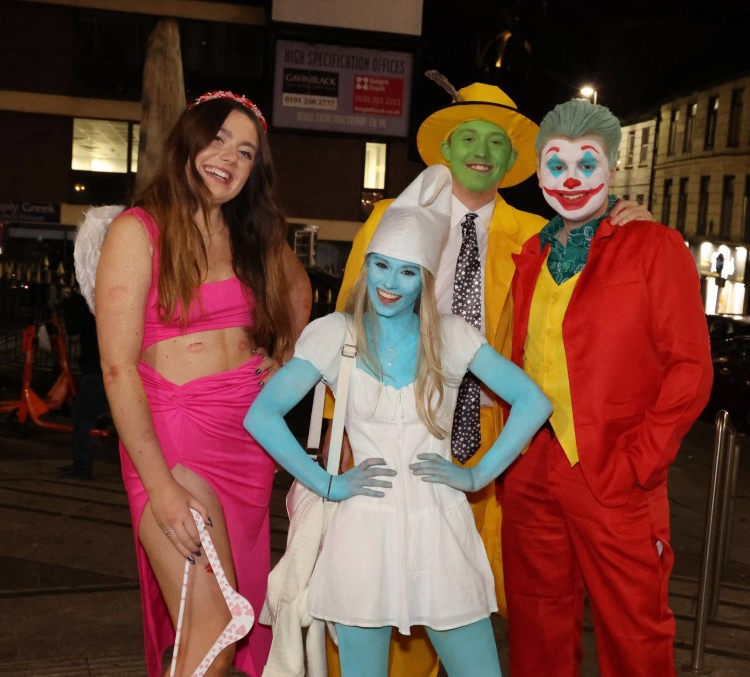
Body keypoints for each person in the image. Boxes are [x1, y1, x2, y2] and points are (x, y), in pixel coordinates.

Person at [330, 78, 650, 675]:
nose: (482, 151)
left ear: (513, 160)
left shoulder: (538, 234)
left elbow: (596, 287)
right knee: (381, 594)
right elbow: (350, 329)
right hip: (394, 437)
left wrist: (629, 222)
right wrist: (340, 441)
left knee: (467, 596)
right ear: (446, 150)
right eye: (468, 137)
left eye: (497, 143)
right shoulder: (392, 218)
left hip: (492, 441)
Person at [244, 163, 551, 677]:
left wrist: (477, 475)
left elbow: (533, 401)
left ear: (424, 280)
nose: (390, 284)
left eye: (406, 272)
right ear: (366, 267)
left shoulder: (451, 336)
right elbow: (263, 415)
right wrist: (326, 483)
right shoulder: (334, 333)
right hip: (363, 526)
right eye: (381, 267)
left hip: (440, 521)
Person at [95, 90, 311, 676]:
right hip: (175, 437)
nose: (228, 159)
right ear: (189, 140)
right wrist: (159, 486)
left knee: (224, 622)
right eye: (218, 139)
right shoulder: (136, 231)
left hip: (245, 444)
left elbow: (298, 293)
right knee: (215, 623)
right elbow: (116, 368)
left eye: (245, 152)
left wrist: (284, 354)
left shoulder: (250, 236)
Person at [502, 98, 713, 676]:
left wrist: (638, 462)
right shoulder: (531, 252)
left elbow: (690, 370)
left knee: (634, 634)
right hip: (530, 468)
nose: (571, 179)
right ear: (539, 173)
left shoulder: (653, 246)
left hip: (614, 475)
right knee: (536, 627)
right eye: (556, 164)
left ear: (613, 171)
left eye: (587, 164)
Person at [57, 288, 107, 481]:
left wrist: (71, 304)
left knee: (81, 418)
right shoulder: (105, 306)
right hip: (106, 369)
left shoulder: (90, 308)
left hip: (96, 370)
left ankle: (82, 464)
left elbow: (73, 328)